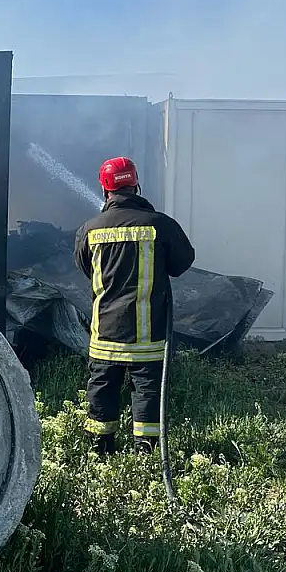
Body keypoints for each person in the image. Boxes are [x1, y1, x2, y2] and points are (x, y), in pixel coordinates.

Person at [73, 157, 195, 456]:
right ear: (136, 184)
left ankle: (100, 449)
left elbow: (85, 268)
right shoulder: (160, 225)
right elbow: (182, 263)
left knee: (102, 388)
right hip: (148, 332)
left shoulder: (90, 229)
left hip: (105, 332)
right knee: (148, 390)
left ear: (105, 189)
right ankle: (146, 449)